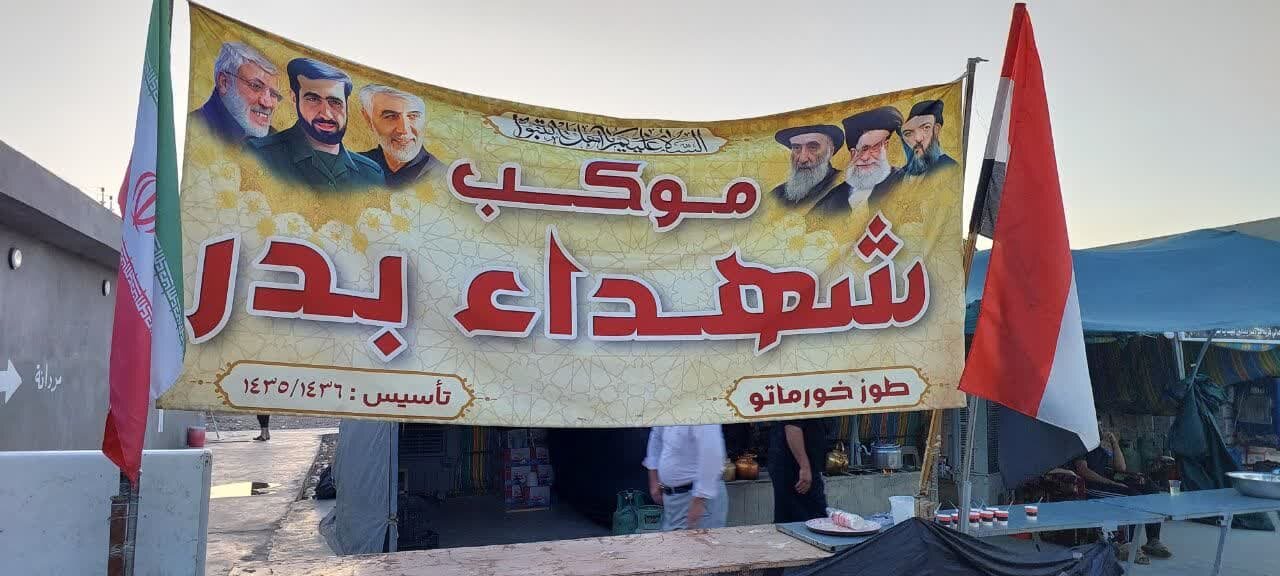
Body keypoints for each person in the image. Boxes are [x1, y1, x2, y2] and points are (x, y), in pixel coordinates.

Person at [248, 58, 384, 191]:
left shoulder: (372, 175)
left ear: (346, 105)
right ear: (294, 99)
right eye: (313, 99)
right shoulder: (258, 155)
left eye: (335, 102)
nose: (326, 114)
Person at [1073, 429, 1172, 564]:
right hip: (1093, 487)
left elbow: (1121, 467)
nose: (1100, 428)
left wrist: (1114, 443)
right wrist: (1111, 483)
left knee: (1151, 489)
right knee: (1132, 498)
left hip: (1110, 482)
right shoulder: (1081, 442)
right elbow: (1082, 470)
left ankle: (1153, 539)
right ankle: (1127, 545)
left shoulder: (1101, 444)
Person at [814, 106, 904, 213]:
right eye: (858, 151)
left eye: (874, 148)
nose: (864, 157)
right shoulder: (833, 198)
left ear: (886, 145)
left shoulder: (903, 181)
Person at [191, 42, 282, 143]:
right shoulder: (192, 129)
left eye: (274, 94)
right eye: (256, 86)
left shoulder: (275, 140)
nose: (268, 103)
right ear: (224, 82)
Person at [643, 425, 728, 531]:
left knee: (700, 542)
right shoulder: (665, 415)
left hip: (698, 500)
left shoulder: (702, 416)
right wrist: (654, 477)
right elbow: (656, 437)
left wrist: (699, 500)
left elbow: (713, 452)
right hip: (672, 501)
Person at [357, 85, 442, 189]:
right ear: (368, 119)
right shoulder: (352, 169)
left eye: (413, 116)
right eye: (390, 116)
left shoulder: (443, 180)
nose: (404, 130)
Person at [769, 124, 850, 209]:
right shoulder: (776, 195)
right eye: (796, 147)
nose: (802, 159)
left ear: (830, 152)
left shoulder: (846, 189)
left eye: (812, 147)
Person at [767, 419, 830, 523]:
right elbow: (792, 427)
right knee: (813, 520)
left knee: (792, 519)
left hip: (798, 465)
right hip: (793, 467)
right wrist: (804, 467)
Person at [900, 99, 959, 177]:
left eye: (926, 127)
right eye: (908, 133)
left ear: (936, 130)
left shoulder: (949, 168)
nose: (918, 138)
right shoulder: (900, 175)